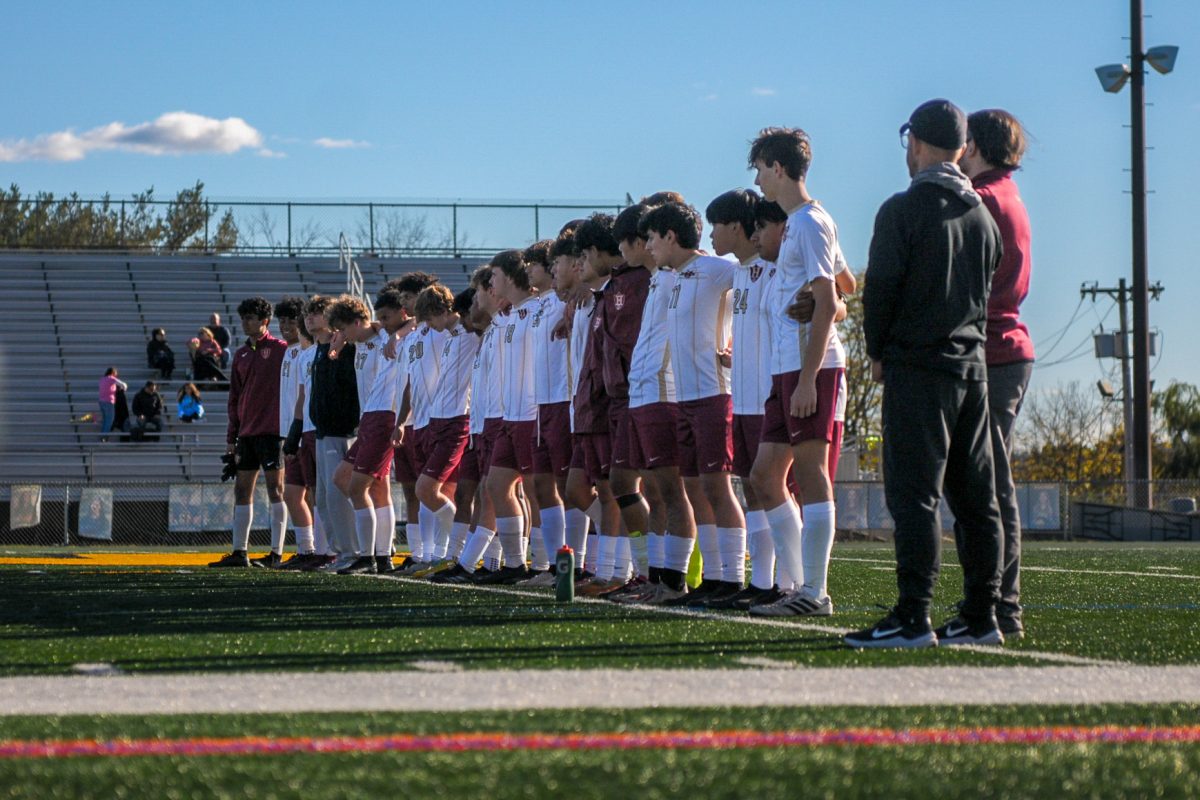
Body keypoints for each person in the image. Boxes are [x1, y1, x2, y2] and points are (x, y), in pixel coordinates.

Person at [846, 99, 1005, 649]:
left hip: (919, 367)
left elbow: (882, 291)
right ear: (962, 149)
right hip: (973, 368)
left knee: (914, 497)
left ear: (914, 142)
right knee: (976, 499)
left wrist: (877, 350)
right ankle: (982, 616)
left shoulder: (902, 210)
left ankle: (914, 615)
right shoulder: (982, 215)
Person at [745, 127, 848, 619]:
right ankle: (798, 585)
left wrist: (809, 379)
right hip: (786, 367)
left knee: (808, 476)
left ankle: (815, 592)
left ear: (779, 167)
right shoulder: (801, 224)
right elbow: (844, 286)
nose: (759, 179)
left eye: (761, 168)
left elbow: (830, 300)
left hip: (811, 368)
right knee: (764, 477)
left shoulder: (807, 223)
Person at [641, 200, 746, 607]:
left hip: (713, 394)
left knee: (717, 487)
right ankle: (714, 580)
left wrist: (737, 343)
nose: (649, 246)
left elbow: (757, 289)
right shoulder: (675, 277)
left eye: (653, 237)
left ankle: (733, 578)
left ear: (670, 235)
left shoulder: (717, 269)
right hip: (683, 398)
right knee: (695, 489)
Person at [956, 108, 1035, 640]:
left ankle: (997, 607)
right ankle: (997, 605)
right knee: (990, 485)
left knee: (984, 488)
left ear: (975, 146)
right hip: (1005, 348)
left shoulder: (983, 200)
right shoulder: (1007, 194)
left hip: (991, 352)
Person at [330, 290, 411, 574]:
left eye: (342, 328)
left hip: (384, 417)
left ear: (356, 321)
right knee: (351, 481)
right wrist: (337, 346)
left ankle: (370, 557)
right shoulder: (360, 344)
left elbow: (412, 322)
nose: (341, 335)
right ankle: (383, 552)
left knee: (356, 485)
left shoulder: (383, 337)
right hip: (368, 420)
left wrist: (392, 332)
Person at [209, 296, 290, 568]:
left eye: (251, 318)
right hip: (246, 435)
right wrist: (231, 438)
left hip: (272, 433)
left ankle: (276, 553)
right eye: (243, 317)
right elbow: (234, 397)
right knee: (242, 491)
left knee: (276, 490)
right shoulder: (241, 354)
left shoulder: (282, 350)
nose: (245, 322)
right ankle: (239, 551)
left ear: (265, 321)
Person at [97, 367, 127, 441]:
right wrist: (124, 389)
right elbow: (123, 384)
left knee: (105, 420)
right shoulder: (111, 378)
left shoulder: (102, 379)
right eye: (116, 373)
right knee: (109, 421)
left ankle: (102, 436)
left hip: (101, 402)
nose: (116, 375)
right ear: (113, 373)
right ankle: (104, 437)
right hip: (109, 402)